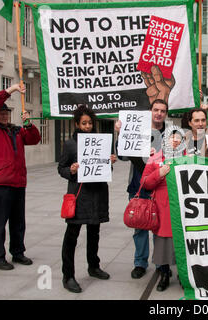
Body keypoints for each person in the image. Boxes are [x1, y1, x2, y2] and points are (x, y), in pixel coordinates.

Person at [58, 105, 117, 293]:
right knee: (72, 235)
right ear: (77, 124)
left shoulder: (101, 142)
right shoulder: (70, 144)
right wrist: (71, 170)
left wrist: (109, 162)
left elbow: (107, 170)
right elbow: (61, 168)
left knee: (94, 232)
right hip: (79, 195)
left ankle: (93, 266)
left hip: (97, 194)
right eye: (84, 123)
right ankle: (68, 275)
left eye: (90, 123)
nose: (87, 126)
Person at [0, 83, 41, 270]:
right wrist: (12, 89)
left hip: (18, 182)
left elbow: (33, 139)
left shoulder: (16, 131)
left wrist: (28, 124)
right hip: (0, 183)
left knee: (18, 222)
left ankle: (17, 252)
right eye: (1, 113)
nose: (4, 115)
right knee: (0, 223)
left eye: (6, 113)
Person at [115, 99, 168, 279]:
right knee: (140, 226)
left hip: (160, 188)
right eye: (156, 110)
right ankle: (140, 263)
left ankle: (161, 263)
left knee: (160, 228)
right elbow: (122, 156)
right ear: (150, 111)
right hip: (138, 186)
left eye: (162, 110)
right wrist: (121, 134)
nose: (159, 113)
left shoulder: (170, 134)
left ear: (166, 114)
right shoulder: (136, 129)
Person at [140, 125, 186, 291]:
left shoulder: (189, 158)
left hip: (184, 210)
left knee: (184, 243)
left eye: (178, 137)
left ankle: (183, 274)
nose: (175, 140)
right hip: (163, 208)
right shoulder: (155, 158)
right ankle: (165, 274)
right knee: (164, 243)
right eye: (171, 137)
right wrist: (158, 174)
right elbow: (145, 183)